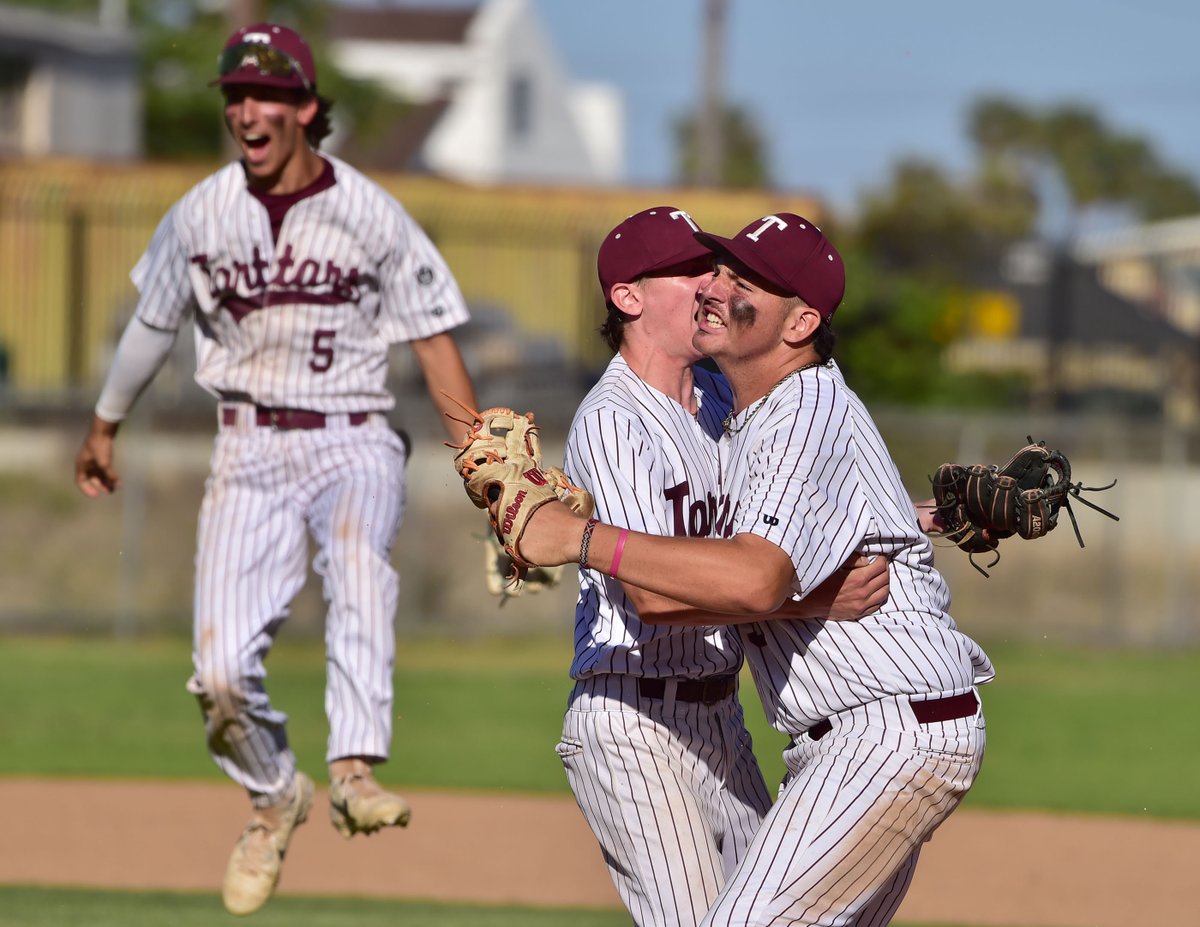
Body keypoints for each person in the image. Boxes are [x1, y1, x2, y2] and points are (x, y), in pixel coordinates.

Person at [73, 22, 478, 916]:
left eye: (262, 94)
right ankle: (272, 794)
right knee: (217, 675)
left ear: (303, 107)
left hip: (352, 432)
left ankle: (352, 766)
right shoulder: (202, 212)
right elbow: (153, 324)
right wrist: (105, 423)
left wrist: (482, 466)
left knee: (357, 555)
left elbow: (432, 337)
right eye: (233, 96)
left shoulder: (370, 211)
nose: (244, 110)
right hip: (247, 445)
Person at [489, 214, 992, 926]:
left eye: (735, 278)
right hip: (646, 709)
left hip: (874, 731)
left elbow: (756, 571)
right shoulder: (699, 411)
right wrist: (912, 523)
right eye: (704, 270)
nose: (712, 287)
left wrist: (575, 536)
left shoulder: (773, 408)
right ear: (628, 298)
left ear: (800, 323)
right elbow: (669, 592)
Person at [557, 206, 889, 927]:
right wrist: (813, 601)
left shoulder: (716, 401)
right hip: (633, 717)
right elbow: (649, 594)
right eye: (688, 270)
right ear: (628, 297)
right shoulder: (614, 420)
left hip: (720, 719)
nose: (711, 282)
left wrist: (925, 517)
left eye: (715, 267)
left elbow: (779, 521)